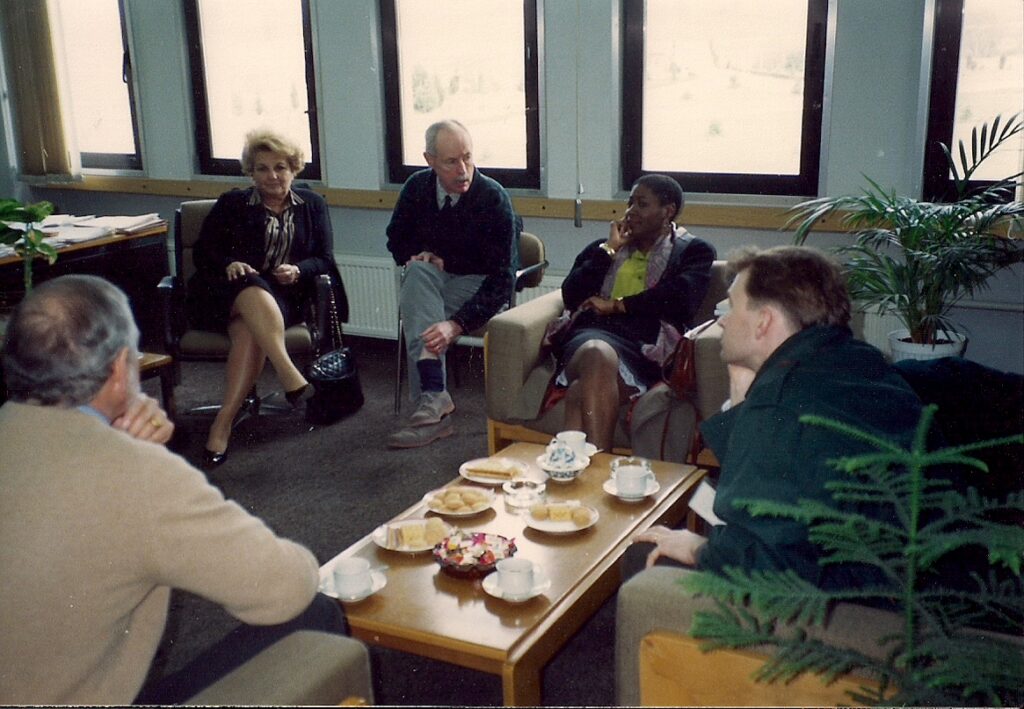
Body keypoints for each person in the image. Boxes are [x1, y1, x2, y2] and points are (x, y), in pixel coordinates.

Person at [0, 275, 345, 704]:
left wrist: (116, 428)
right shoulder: (137, 476)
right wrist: (141, 458)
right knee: (317, 615)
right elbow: (289, 586)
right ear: (120, 368)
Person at [633, 246, 925, 590]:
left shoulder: (778, 403)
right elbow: (759, 488)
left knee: (644, 555)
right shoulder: (855, 358)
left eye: (729, 306)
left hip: (861, 602)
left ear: (764, 321)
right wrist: (743, 394)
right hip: (895, 570)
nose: (722, 320)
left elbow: (764, 561)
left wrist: (699, 548)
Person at [186, 129, 347, 466]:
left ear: (294, 169)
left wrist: (299, 269)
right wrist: (230, 262)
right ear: (251, 172)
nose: (272, 176)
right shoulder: (233, 203)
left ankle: (222, 425)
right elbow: (203, 253)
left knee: (249, 332)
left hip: (282, 299)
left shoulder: (312, 205)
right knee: (250, 285)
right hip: (224, 293)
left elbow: (325, 259)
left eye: (280, 167)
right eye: (262, 168)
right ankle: (289, 374)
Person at [547, 174, 715, 451]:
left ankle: (573, 470)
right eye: (629, 203)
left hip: (646, 346)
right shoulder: (604, 248)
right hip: (591, 335)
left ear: (668, 211)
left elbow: (682, 299)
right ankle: (602, 461)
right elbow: (571, 294)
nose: (630, 212)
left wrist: (616, 304)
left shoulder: (692, 251)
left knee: (581, 392)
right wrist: (609, 250)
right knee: (596, 352)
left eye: (642, 204)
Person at [386, 119, 519, 448]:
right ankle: (435, 400)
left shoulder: (492, 197)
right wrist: (417, 254)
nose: (463, 170)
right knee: (417, 274)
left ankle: (431, 405)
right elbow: (396, 240)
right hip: (434, 281)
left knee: (420, 309)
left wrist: (456, 325)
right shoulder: (417, 187)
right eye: (450, 162)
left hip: (479, 285)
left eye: (468, 157)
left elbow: (502, 280)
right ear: (429, 160)